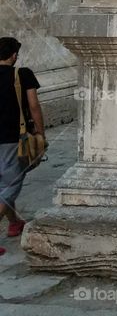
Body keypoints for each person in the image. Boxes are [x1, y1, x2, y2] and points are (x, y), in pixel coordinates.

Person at [0, 37, 43, 253]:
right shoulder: (22, 74)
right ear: (14, 55)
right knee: (10, 186)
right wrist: (41, 133)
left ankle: (14, 223)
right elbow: (34, 105)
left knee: (3, 183)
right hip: (12, 139)